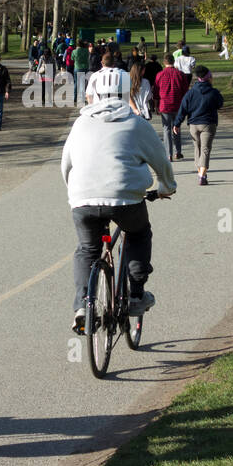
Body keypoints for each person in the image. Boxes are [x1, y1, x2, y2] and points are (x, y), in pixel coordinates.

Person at [61, 95, 176, 334]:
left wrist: (77, 193)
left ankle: (83, 306)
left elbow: (66, 164)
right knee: (138, 233)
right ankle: (135, 296)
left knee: (87, 250)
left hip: (83, 197)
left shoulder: (80, 123)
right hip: (125, 197)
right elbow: (161, 161)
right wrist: (166, 187)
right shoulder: (137, 123)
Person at [174, 66, 224, 185]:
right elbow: (220, 104)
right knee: (205, 149)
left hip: (193, 124)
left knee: (197, 148)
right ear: (208, 78)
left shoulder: (190, 93)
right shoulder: (213, 92)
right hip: (208, 123)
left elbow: (183, 109)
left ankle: (201, 172)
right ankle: (202, 175)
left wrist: (177, 123)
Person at [155, 59, 188, 160]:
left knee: (166, 129)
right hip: (177, 104)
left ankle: (168, 153)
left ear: (164, 63)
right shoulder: (180, 74)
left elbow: (156, 91)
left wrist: (156, 105)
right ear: (173, 62)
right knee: (176, 127)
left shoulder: (160, 75)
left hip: (165, 105)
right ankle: (178, 151)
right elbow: (185, 90)